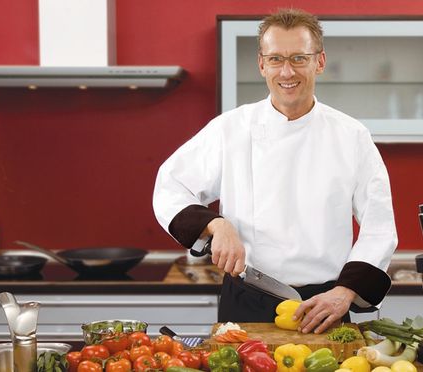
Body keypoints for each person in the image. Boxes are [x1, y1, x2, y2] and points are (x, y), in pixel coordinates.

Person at [153, 8, 397, 334]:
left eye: (299, 58)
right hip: (247, 298)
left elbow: (379, 227)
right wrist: (215, 224)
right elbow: (170, 184)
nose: (286, 72)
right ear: (261, 64)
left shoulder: (352, 136)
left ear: (319, 62)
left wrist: (345, 292)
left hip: (323, 305)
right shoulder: (231, 129)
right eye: (275, 59)